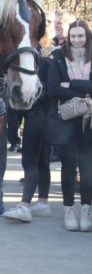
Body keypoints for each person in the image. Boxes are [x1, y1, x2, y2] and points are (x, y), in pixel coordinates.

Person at [47, 18, 92, 232]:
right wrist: (85, 92)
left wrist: (72, 84)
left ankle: (86, 209)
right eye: (73, 36)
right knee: (67, 165)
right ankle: (68, 209)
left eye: (80, 36)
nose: (76, 40)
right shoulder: (57, 56)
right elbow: (53, 88)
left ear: (87, 36)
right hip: (65, 119)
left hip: (88, 121)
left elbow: (64, 86)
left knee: (87, 167)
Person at [3, 42, 53, 222]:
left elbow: (49, 92)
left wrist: (28, 96)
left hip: (38, 115)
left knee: (30, 161)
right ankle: (43, 203)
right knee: (41, 161)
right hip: (40, 115)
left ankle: (24, 206)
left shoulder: (43, 64)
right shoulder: (42, 63)